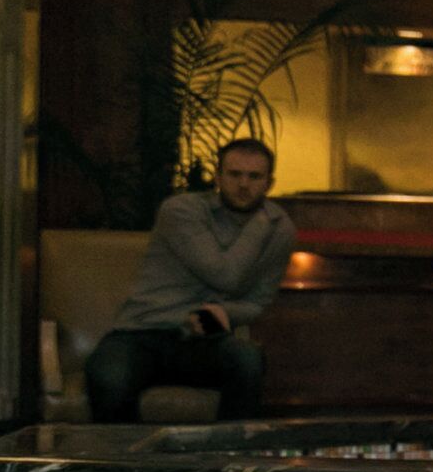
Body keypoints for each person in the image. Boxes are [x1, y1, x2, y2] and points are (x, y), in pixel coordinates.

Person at [86, 139, 297, 424]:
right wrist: (258, 225)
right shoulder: (182, 210)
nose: (243, 184)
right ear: (218, 177)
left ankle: (228, 462)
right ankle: (125, 466)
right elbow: (226, 276)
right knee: (109, 377)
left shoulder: (281, 228)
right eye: (234, 175)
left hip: (204, 336)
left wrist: (226, 314)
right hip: (143, 330)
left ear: (269, 183)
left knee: (247, 360)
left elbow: (258, 302)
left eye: (254, 176)